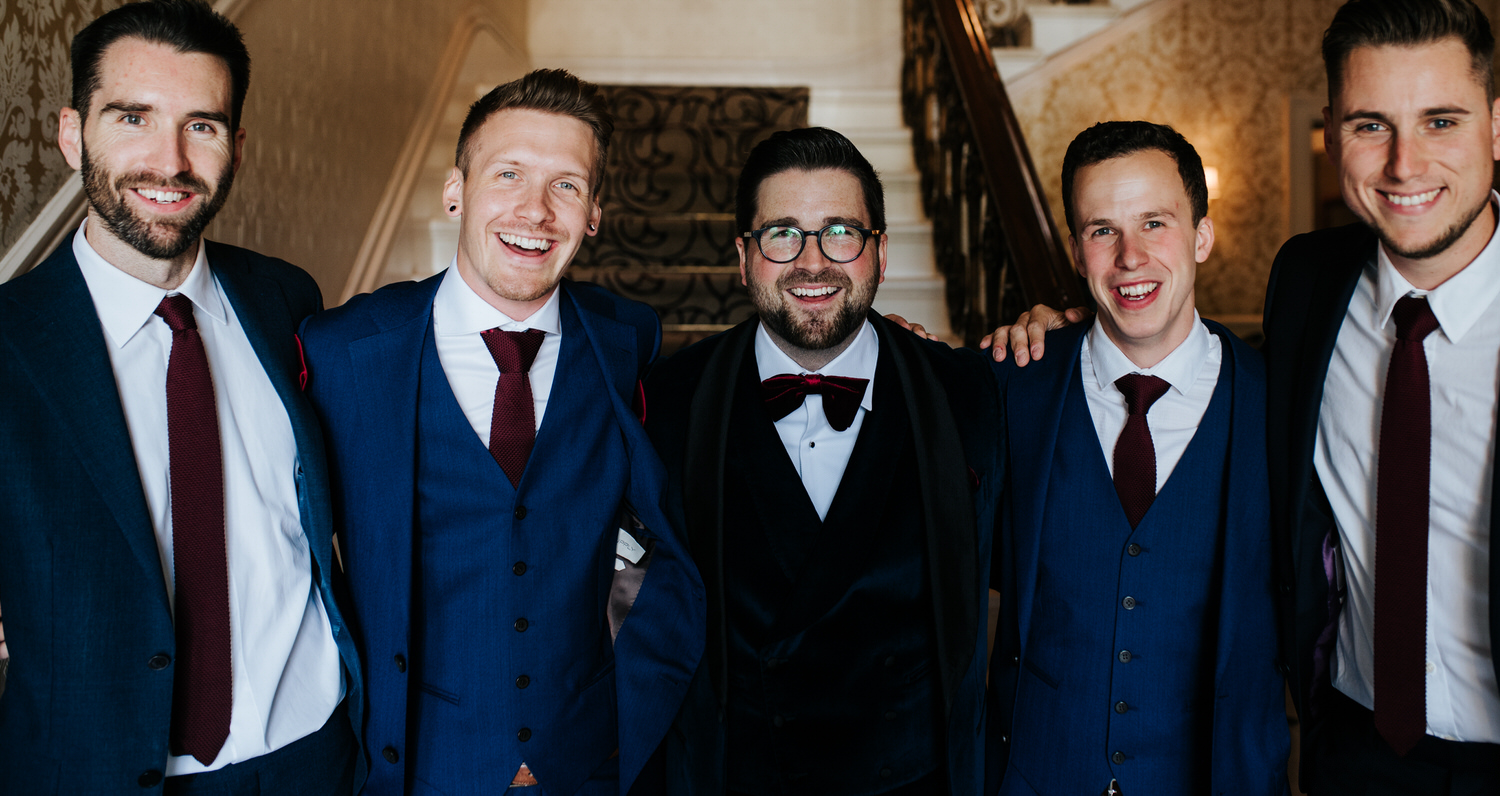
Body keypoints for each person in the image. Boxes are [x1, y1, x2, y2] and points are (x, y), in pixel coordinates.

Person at [297, 69, 704, 796]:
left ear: (596, 214)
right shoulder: (342, 353)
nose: (536, 211)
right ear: (455, 190)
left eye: (567, 186)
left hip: (591, 758)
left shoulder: (625, 340)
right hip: (417, 763)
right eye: (509, 173)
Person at [0, 0, 362, 794]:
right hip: (98, 768)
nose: (169, 161)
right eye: (132, 118)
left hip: (315, 752)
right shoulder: (10, 344)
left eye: (200, 126)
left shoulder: (287, 300)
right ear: (72, 134)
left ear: (236, 147)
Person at [1263, 0, 1500, 795]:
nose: (1404, 164)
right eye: (1369, 125)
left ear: (1499, 127)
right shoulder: (1304, 281)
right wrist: (1075, 331)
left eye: (1440, 121)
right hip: (1355, 753)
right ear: (1332, 135)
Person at [642, 127, 1004, 796]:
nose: (812, 263)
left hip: (914, 782)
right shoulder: (666, 401)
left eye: (841, 232)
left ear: (881, 254)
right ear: (743, 258)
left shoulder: (972, 395)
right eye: (783, 234)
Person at [984, 121, 1287, 796]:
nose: (1130, 257)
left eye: (1155, 223)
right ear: (1075, 250)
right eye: (1102, 230)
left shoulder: (1282, 405)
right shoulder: (1010, 385)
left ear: (1201, 236)